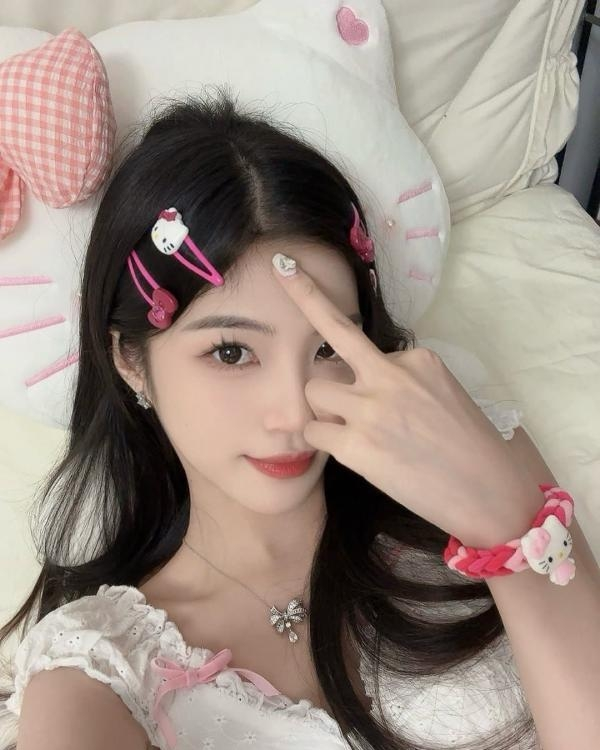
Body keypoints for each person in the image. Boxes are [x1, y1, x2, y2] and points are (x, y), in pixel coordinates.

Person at [0, 86, 540, 750]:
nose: (293, 410)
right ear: (132, 361)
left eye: (329, 346)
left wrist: (509, 529)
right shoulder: (96, 672)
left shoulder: (479, 463)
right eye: (231, 352)